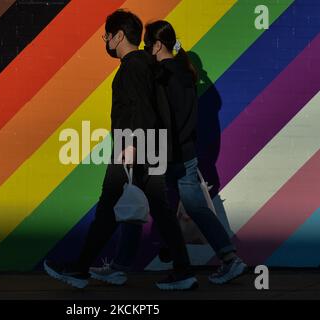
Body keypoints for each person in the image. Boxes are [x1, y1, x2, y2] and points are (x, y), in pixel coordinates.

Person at [43, 10, 197, 291]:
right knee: (155, 210)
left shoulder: (133, 66)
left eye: (107, 35)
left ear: (119, 36)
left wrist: (132, 146)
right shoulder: (146, 64)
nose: (105, 40)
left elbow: (142, 108)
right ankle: (178, 270)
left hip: (136, 145)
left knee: (109, 206)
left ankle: (80, 270)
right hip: (150, 145)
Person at [89, 20, 247, 286]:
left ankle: (127, 266)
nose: (146, 50)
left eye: (148, 45)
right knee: (194, 208)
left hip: (165, 154)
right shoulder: (187, 73)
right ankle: (230, 258)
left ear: (158, 45)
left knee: (136, 204)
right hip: (186, 154)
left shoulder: (162, 75)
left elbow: (160, 117)